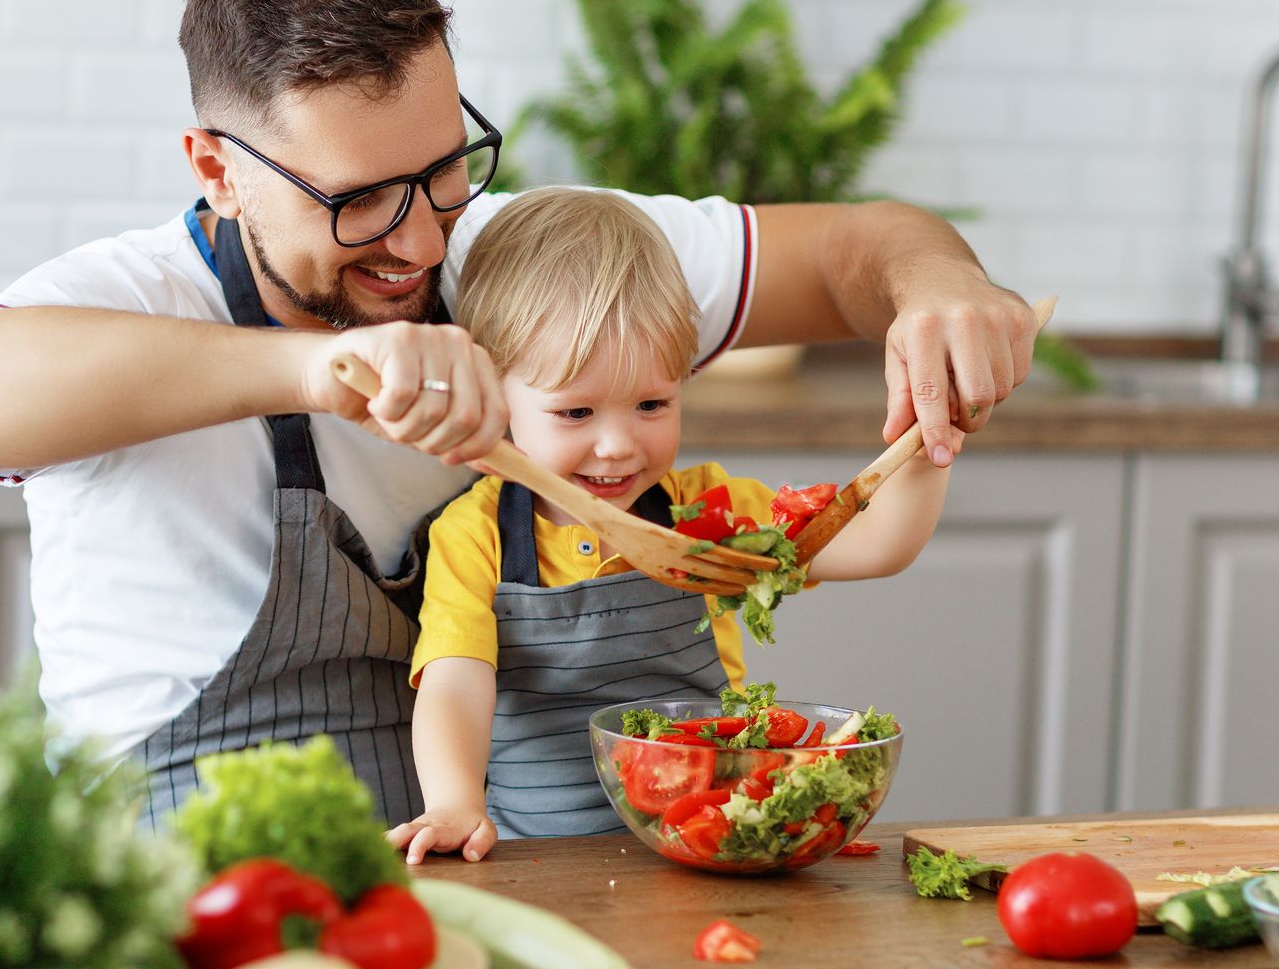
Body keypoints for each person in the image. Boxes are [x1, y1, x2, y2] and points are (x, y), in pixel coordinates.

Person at [0, 0, 1039, 825]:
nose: (423, 241)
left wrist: (938, 286)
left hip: (475, 863)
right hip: (184, 868)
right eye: (357, 200)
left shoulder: (535, 260)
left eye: (444, 170)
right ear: (217, 171)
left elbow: (859, 250)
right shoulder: (128, 300)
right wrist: (318, 369)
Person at [383, 188, 951, 861]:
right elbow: (456, 681)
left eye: (652, 403)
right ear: (496, 393)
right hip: (538, 860)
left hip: (709, 843)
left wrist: (930, 440)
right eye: (576, 413)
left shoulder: (708, 510)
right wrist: (453, 804)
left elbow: (877, 543)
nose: (619, 444)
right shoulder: (474, 534)